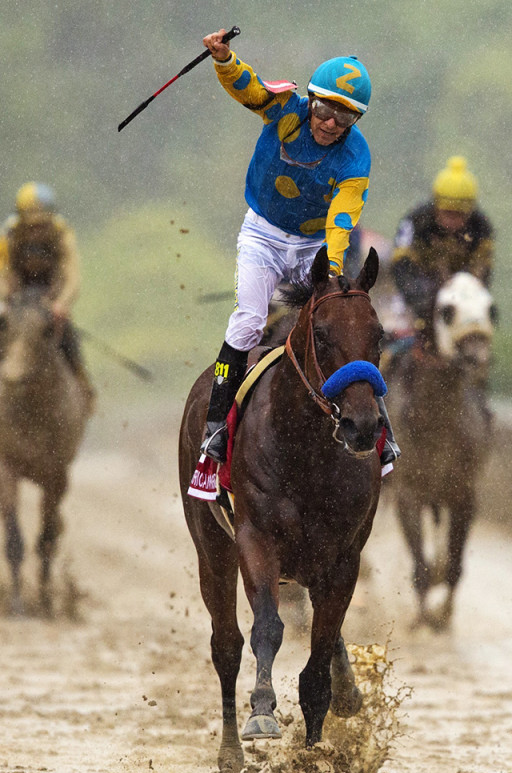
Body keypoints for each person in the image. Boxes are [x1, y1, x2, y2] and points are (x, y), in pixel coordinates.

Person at [197, 27, 397, 466]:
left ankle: (382, 432)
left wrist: (332, 266)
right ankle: (215, 427)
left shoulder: (356, 158)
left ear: (355, 121)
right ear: (311, 99)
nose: (329, 123)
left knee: (347, 320)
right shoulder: (285, 109)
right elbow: (249, 89)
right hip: (263, 236)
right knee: (249, 322)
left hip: (312, 246)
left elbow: (342, 218)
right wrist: (225, 60)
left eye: (343, 118)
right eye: (325, 109)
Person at [0, 182, 92, 406]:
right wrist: (8, 298)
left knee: (68, 335)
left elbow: (72, 276)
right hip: (17, 297)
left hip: (50, 298)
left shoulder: (63, 234)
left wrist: (62, 303)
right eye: (31, 226)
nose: (36, 231)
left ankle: (83, 384)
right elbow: (0, 273)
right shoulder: (7, 235)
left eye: (41, 225)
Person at [388, 155, 495, 334]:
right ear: (436, 205)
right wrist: (421, 296)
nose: (452, 221)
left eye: (459, 215)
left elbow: (483, 271)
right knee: (392, 330)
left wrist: (459, 292)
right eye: (447, 213)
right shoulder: (416, 221)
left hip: (459, 296)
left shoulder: (481, 228)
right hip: (415, 289)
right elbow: (401, 265)